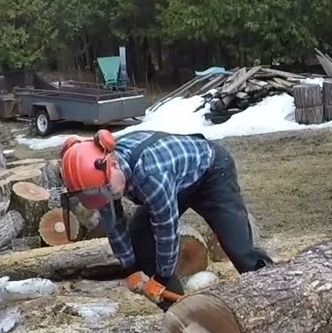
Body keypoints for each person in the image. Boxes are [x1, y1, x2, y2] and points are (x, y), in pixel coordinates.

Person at [59, 129, 274, 309]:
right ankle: (180, 312)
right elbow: (114, 225)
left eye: (106, 191)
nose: (104, 198)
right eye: (98, 195)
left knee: (239, 248)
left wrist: (161, 278)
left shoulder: (149, 174)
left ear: (112, 164)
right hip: (174, 180)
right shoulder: (98, 182)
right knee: (139, 235)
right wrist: (131, 268)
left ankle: (275, 294)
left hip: (211, 172)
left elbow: (166, 229)